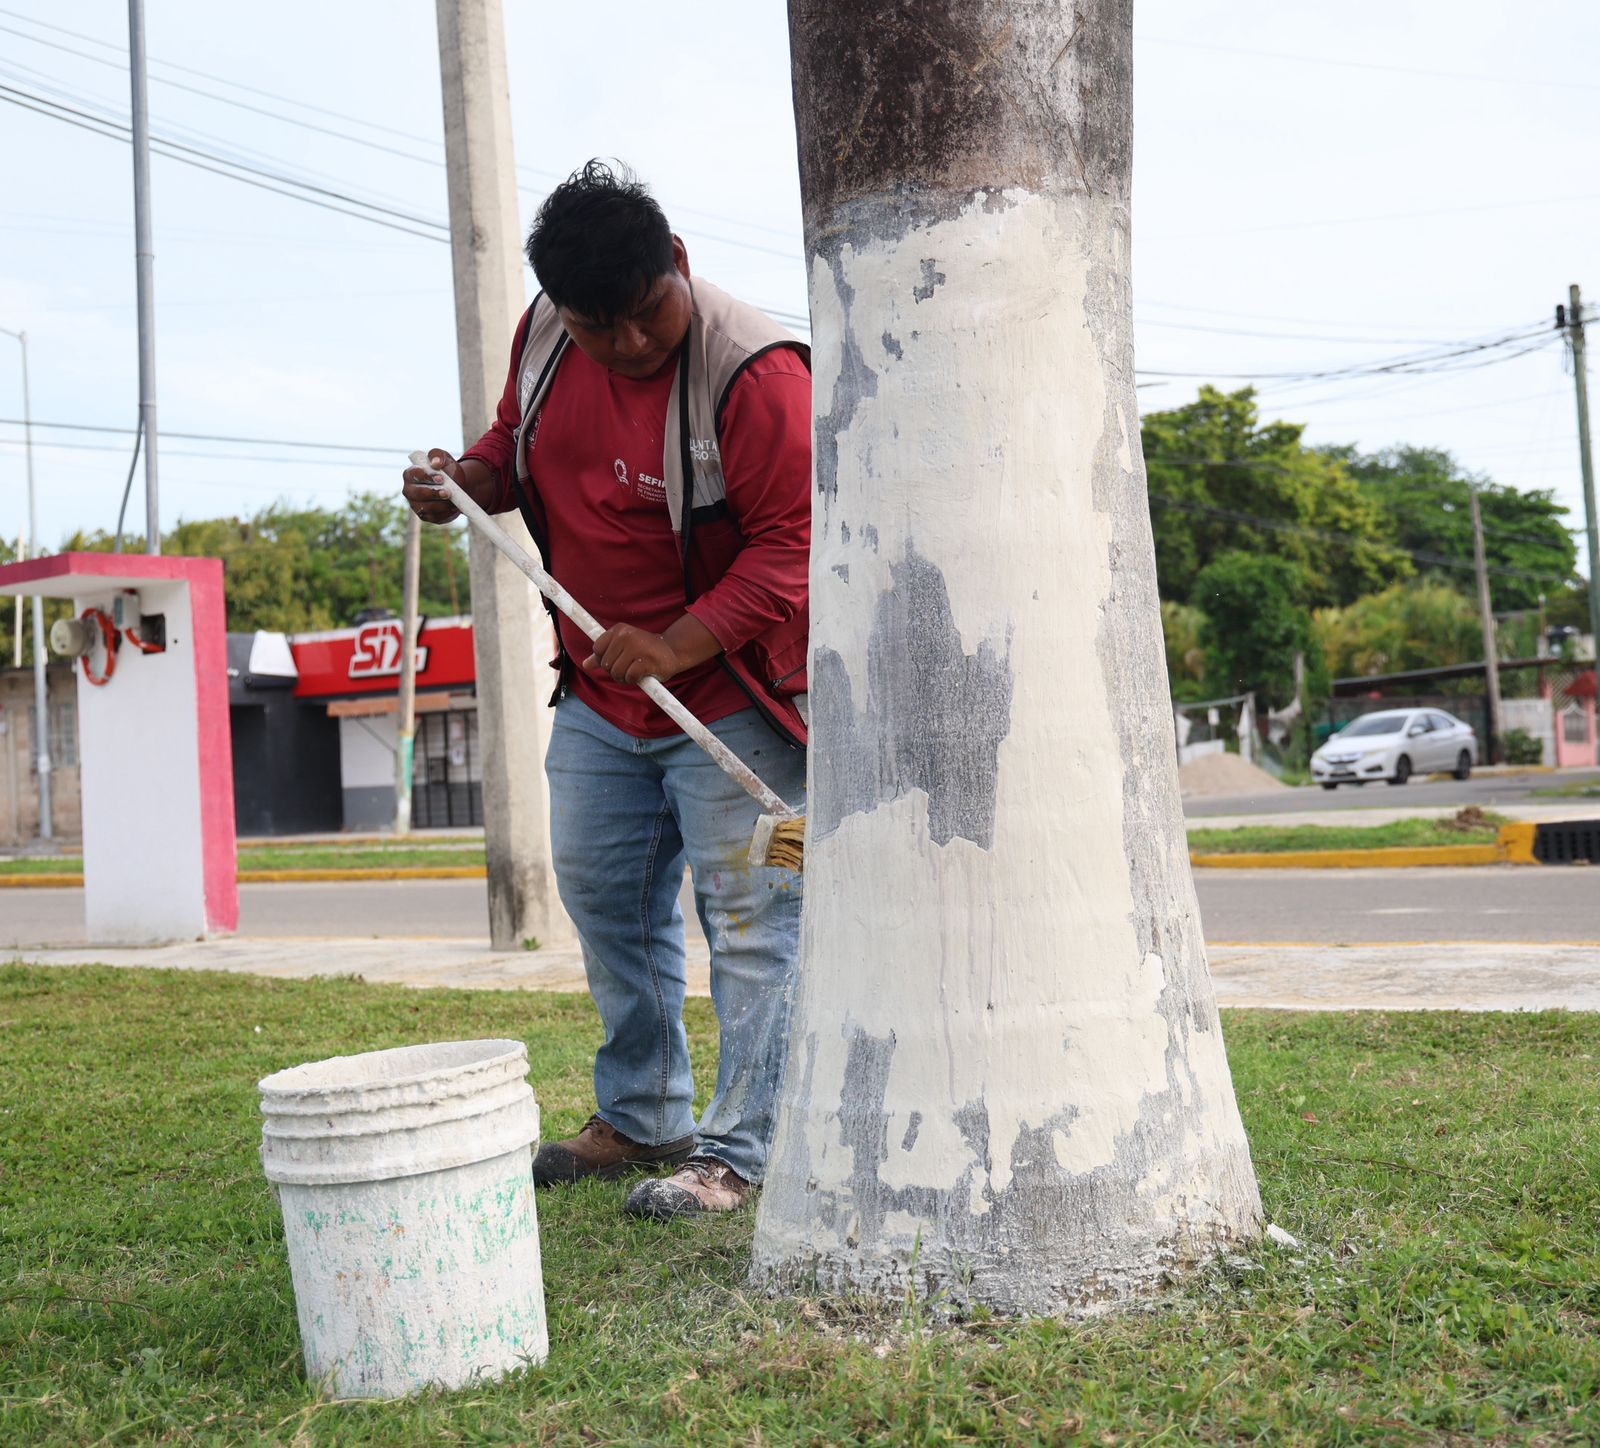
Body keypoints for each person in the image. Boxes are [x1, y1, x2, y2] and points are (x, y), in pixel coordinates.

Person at [402, 161, 810, 1221]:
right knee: (605, 901)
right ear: (559, 308)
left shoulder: (759, 378)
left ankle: (740, 1153)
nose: (628, 343)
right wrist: (469, 483)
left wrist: (675, 643)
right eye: (598, 327)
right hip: (598, 695)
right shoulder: (545, 333)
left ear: (677, 261)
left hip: (734, 700)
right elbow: (516, 444)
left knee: (754, 921)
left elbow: (793, 550)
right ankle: (644, 1113)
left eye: (644, 313)